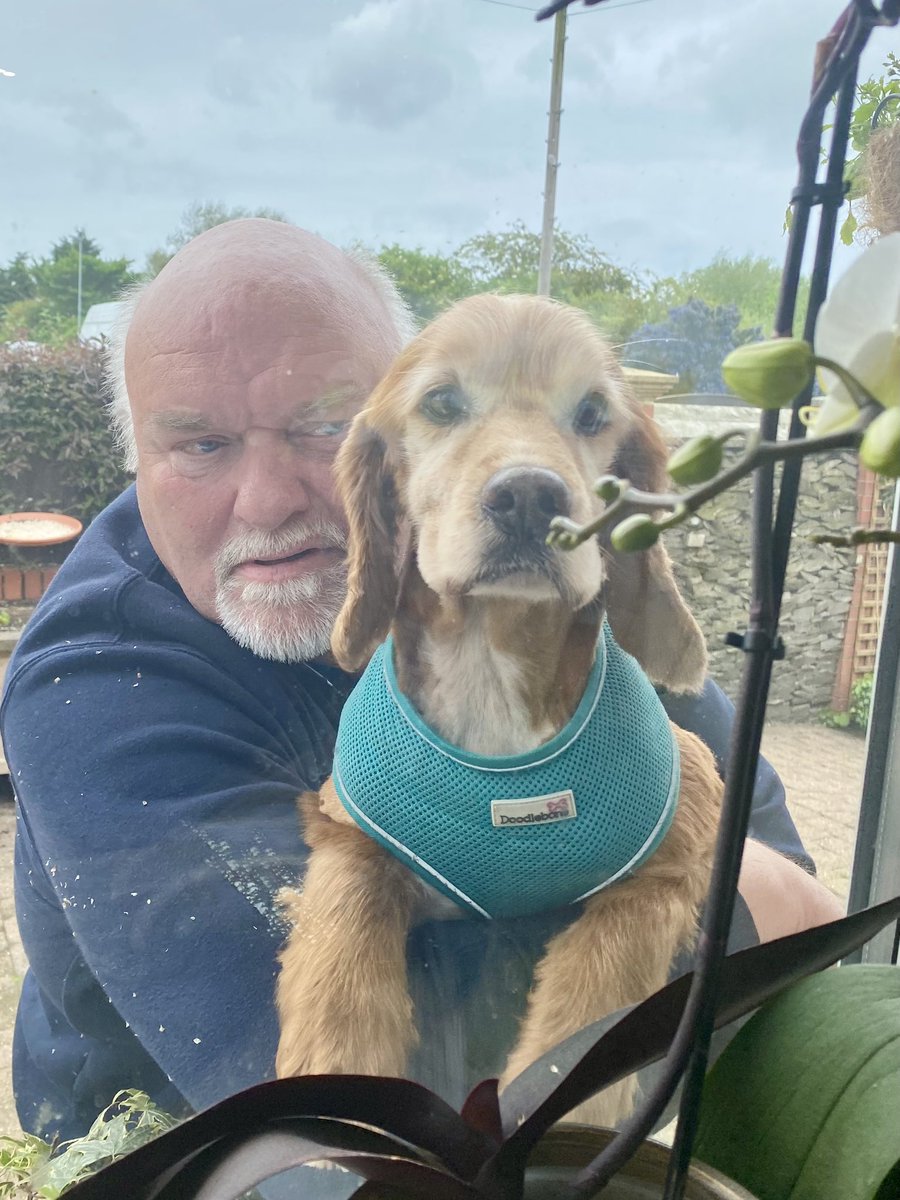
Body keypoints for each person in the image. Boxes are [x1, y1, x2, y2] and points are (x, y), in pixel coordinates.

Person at [0, 219, 841, 1155]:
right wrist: (731, 906)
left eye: (322, 423)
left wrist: (746, 887)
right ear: (139, 463)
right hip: (178, 1141)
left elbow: (772, 844)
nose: (269, 498)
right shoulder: (98, 688)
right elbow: (340, 1100)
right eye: (199, 445)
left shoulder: (559, 596)